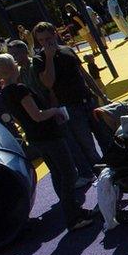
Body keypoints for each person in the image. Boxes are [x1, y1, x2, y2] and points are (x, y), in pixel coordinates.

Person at [0, 54, 94, 231]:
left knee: (57, 172)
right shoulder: (19, 90)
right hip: (48, 135)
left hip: (35, 137)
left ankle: (71, 210)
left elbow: (21, 118)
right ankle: (73, 215)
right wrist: (54, 111)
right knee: (68, 172)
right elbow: (37, 115)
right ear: (12, 67)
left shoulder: (5, 93)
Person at [32, 21, 113, 180]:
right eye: (41, 40)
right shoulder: (39, 59)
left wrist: (101, 95)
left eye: (48, 37)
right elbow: (48, 83)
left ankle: (118, 171)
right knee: (87, 146)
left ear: (55, 34)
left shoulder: (67, 50)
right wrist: (49, 58)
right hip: (69, 107)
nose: (46, 42)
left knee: (106, 137)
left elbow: (83, 74)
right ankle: (105, 179)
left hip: (88, 100)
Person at [7, 39, 94, 185]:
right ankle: (85, 171)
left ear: (24, 51)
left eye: (15, 53)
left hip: (52, 109)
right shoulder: (21, 72)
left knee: (73, 141)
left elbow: (49, 87)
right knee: (68, 143)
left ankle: (87, 172)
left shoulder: (35, 65)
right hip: (45, 112)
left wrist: (54, 108)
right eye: (11, 55)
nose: (14, 58)